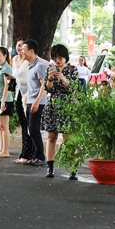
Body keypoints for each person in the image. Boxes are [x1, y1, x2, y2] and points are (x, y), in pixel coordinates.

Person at [42, 44, 79, 179]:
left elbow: (74, 88)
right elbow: (48, 88)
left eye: (60, 57)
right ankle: (50, 168)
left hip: (67, 106)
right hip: (53, 105)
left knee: (69, 139)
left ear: (65, 57)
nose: (58, 60)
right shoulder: (50, 69)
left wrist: (63, 78)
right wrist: (51, 78)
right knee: (51, 137)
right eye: (55, 57)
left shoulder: (72, 69)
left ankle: (73, 169)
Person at [21, 39, 48, 166]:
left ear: (31, 51)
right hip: (30, 101)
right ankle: (35, 156)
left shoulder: (40, 65)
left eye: (23, 50)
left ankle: (40, 157)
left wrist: (37, 102)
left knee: (34, 129)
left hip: (37, 102)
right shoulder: (30, 66)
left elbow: (45, 86)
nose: (21, 52)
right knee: (30, 129)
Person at [11, 39, 33, 164]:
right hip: (18, 93)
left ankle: (28, 154)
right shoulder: (14, 59)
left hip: (29, 94)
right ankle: (24, 153)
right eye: (18, 45)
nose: (20, 48)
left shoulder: (29, 60)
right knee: (23, 125)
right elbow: (17, 75)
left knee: (28, 124)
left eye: (22, 46)